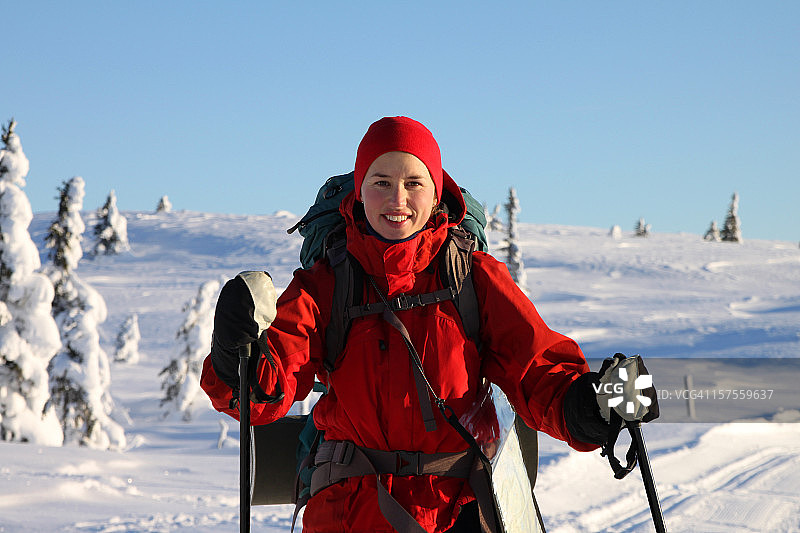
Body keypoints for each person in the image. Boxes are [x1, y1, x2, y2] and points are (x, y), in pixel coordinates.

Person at [201, 117, 641, 532]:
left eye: (414, 183)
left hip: (460, 510)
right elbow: (267, 387)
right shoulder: (325, 285)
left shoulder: (473, 276)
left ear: (435, 194)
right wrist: (235, 356)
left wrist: (586, 404)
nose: (397, 200)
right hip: (351, 513)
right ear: (359, 192)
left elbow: (536, 369)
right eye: (381, 183)